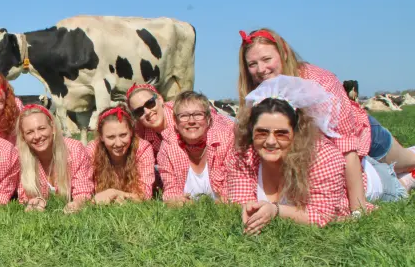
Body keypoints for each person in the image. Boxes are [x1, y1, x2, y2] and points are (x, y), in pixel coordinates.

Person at [237, 28, 415, 214]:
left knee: (409, 161)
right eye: (252, 64)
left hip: (363, 132)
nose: (261, 69)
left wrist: (357, 208)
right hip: (329, 149)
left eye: (267, 59)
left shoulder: (318, 81)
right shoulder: (257, 93)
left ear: (284, 53)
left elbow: (346, 146)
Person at [227, 76, 410, 234]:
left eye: (281, 133)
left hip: (375, 182)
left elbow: (322, 215)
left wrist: (275, 211)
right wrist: (250, 210)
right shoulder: (244, 156)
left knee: (404, 179)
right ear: (251, 131)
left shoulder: (322, 157)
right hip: (341, 177)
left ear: (297, 132)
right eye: (262, 132)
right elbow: (241, 200)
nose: (271, 141)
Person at [157, 91, 234, 205]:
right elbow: (170, 190)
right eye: (184, 116)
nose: (191, 121)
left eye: (198, 114)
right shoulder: (167, 146)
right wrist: (176, 201)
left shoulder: (225, 140)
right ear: (176, 123)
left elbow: (233, 188)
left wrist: (221, 203)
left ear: (208, 119)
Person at [15, 104, 94, 214]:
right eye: (30, 132)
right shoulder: (18, 156)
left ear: (52, 127)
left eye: (41, 128)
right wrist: (34, 201)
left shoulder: (74, 149)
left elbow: (83, 191)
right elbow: (23, 196)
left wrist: (78, 203)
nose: (37, 136)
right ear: (23, 136)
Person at [126, 83, 233, 157]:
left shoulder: (181, 111)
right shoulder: (143, 134)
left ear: (160, 99)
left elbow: (219, 123)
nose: (147, 112)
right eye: (139, 111)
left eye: (150, 103)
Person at [85, 105, 155, 205]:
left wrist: (114, 193)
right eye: (111, 137)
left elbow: (145, 195)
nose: (118, 143)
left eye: (123, 135)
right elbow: (84, 193)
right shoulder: (92, 150)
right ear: (101, 137)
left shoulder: (143, 148)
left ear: (131, 132)